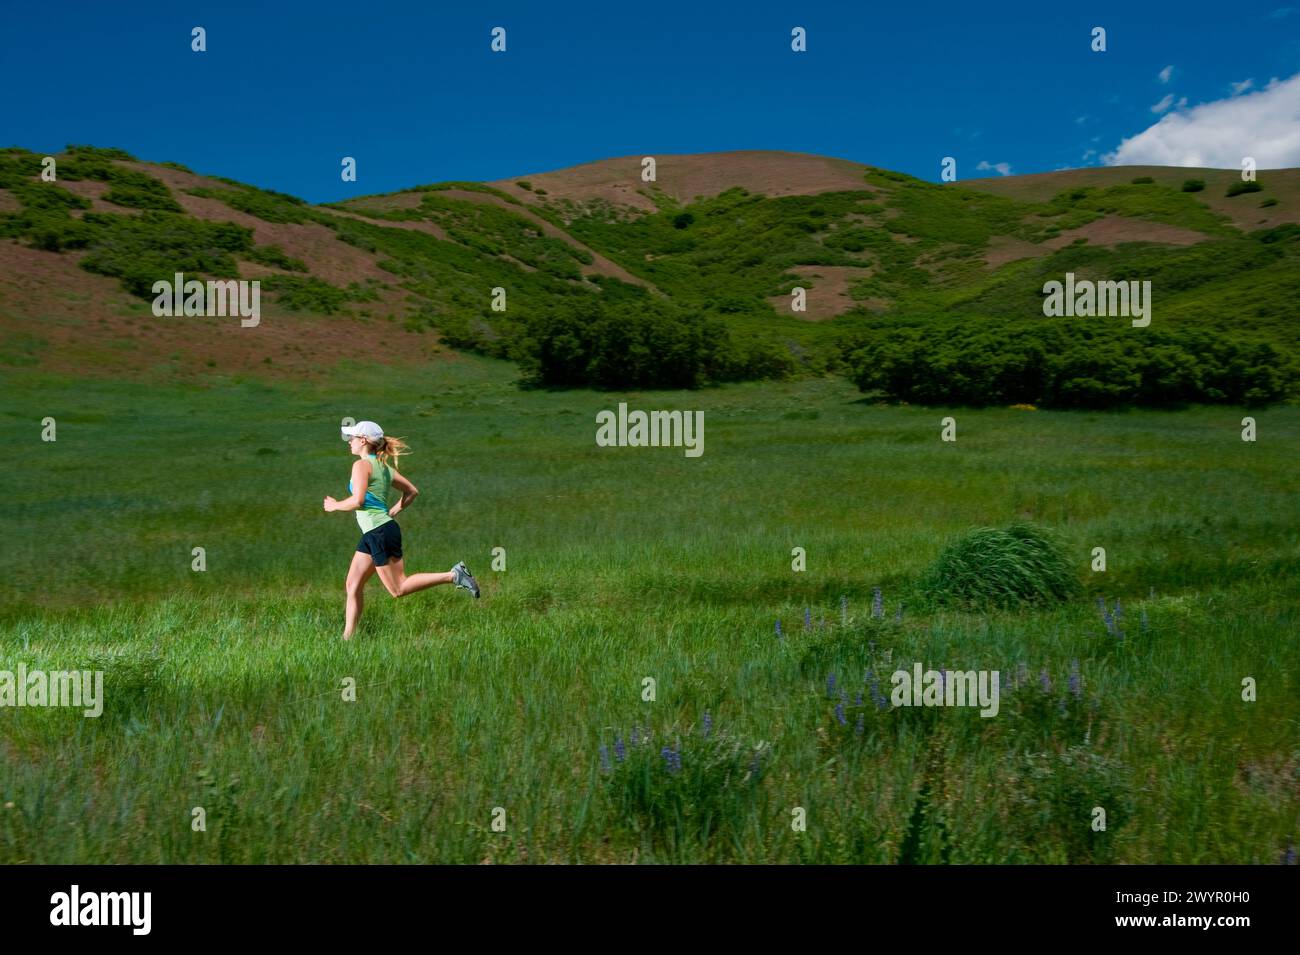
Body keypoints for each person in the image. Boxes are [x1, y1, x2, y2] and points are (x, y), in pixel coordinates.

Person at [323, 420, 479, 640]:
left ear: (363, 440)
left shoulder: (361, 466)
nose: (349, 442)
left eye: (352, 438)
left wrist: (335, 505)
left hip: (379, 532)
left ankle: (454, 575)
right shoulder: (384, 468)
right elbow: (412, 491)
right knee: (353, 584)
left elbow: (358, 500)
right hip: (375, 532)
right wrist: (392, 512)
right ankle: (346, 640)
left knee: (398, 589)